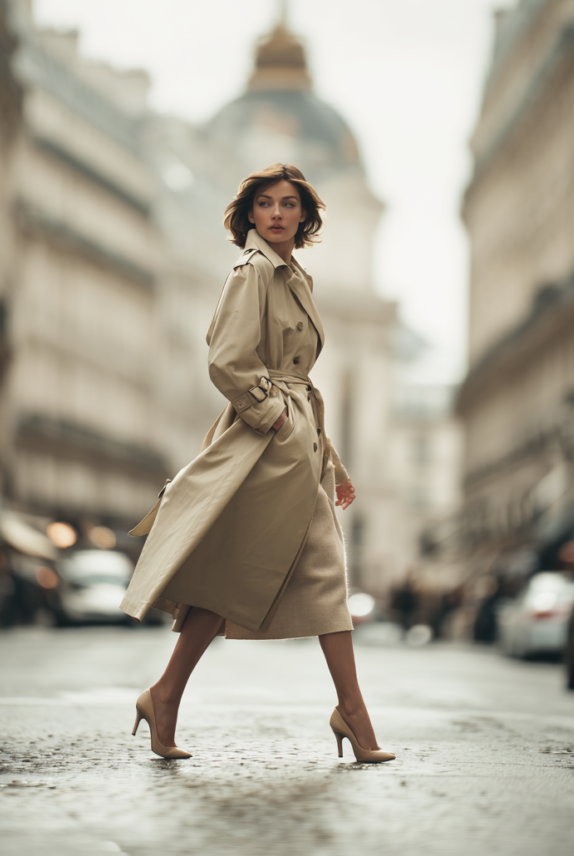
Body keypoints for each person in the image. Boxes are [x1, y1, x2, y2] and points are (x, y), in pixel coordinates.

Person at [121, 163, 394, 764]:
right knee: (286, 576)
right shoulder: (252, 273)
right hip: (266, 443)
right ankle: (351, 715)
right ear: (249, 215)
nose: (276, 213)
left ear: (305, 216)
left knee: (261, 580)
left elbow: (302, 381)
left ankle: (164, 696)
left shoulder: (296, 277)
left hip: (294, 442)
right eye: (265, 204)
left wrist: (333, 462)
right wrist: (275, 420)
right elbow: (226, 360)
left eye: (288, 204)